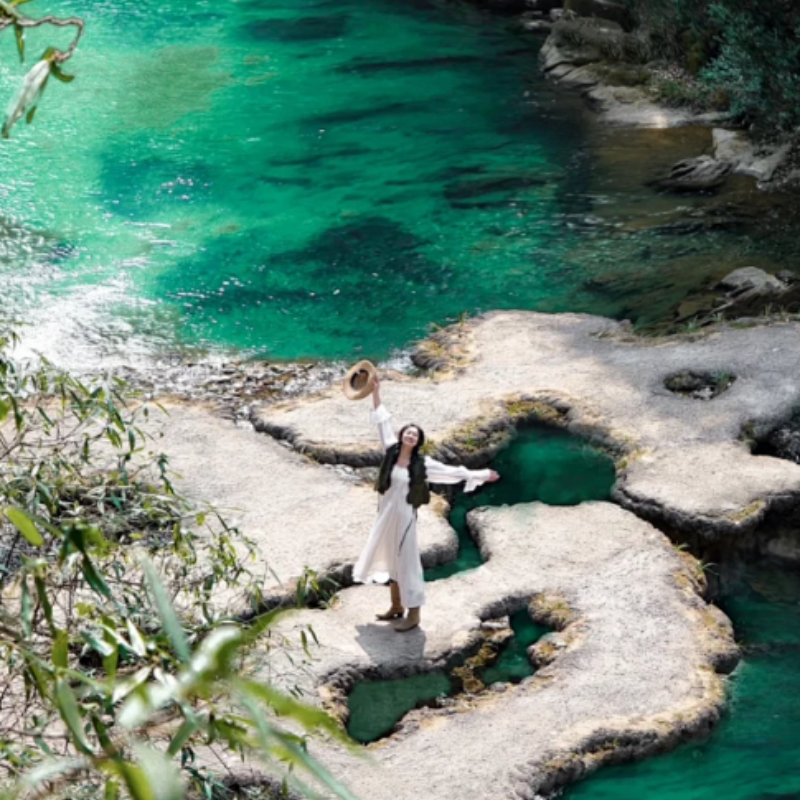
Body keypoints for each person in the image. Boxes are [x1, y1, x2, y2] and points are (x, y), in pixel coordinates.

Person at [352, 376, 500, 632]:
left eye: (415, 434)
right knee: (389, 560)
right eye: (408, 432)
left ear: (418, 441)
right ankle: (396, 606)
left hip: (405, 518)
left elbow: (453, 472)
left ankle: (414, 614)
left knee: (407, 563)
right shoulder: (390, 451)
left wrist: (482, 475)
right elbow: (382, 421)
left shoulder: (424, 465)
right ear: (402, 436)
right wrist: (376, 392)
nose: (410, 435)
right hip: (385, 516)